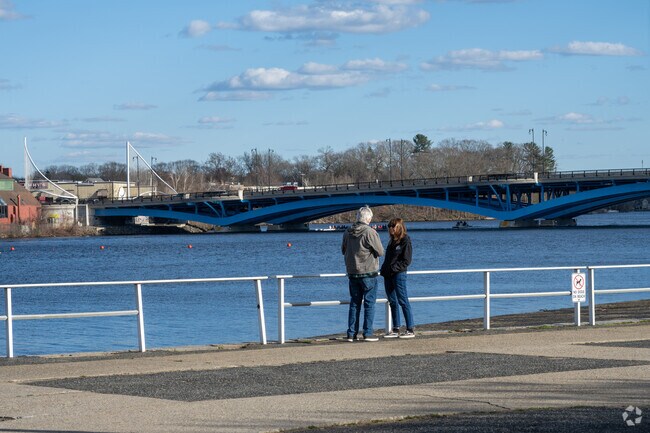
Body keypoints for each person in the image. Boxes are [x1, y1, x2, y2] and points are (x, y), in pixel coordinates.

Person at [342, 206, 384, 342]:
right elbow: (380, 251)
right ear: (369, 219)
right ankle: (367, 333)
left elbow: (343, 250)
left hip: (352, 273)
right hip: (368, 272)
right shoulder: (370, 232)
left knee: (354, 303)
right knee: (369, 303)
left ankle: (351, 333)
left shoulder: (347, 232)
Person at [380, 218, 415, 338]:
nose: (390, 228)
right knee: (392, 301)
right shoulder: (391, 241)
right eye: (389, 226)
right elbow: (388, 259)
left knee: (403, 300)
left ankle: (410, 328)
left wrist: (394, 269)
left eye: (393, 226)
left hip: (399, 275)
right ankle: (396, 328)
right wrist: (384, 269)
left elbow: (407, 260)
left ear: (399, 227)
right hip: (388, 275)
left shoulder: (405, 240)